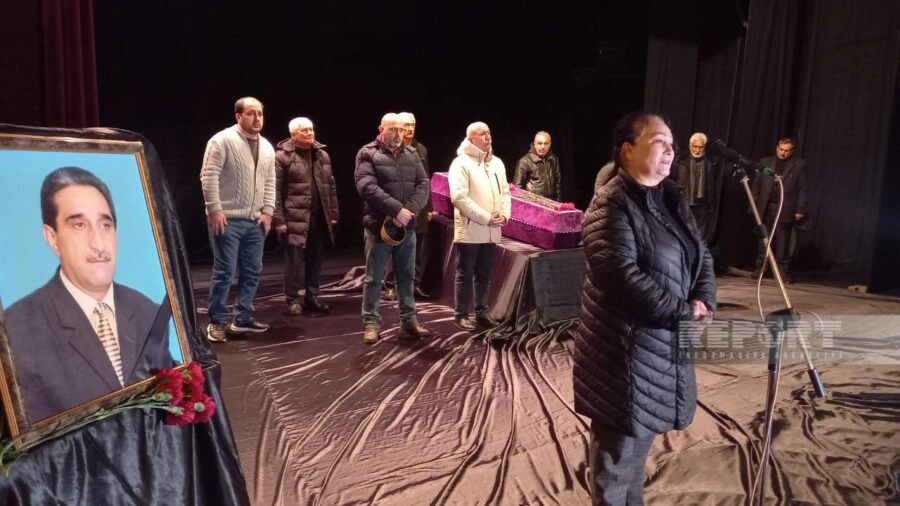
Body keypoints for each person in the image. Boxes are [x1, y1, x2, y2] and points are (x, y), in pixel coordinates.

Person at [573, 112, 716, 505]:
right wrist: (683, 311)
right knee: (615, 462)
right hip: (622, 354)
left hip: (658, 347)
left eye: (671, 142)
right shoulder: (610, 204)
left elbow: (701, 253)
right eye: (659, 141)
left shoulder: (670, 198)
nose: (670, 149)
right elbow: (622, 277)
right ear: (627, 150)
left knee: (635, 460)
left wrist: (704, 297)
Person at [3, 167, 174, 422]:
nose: (99, 244)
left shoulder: (148, 312)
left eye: (105, 225)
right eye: (79, 225)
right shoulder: (16, 331)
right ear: (52, 237)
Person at [200, 96, 276, 342]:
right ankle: (217, 322)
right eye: (251, 113)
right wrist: (214, 209)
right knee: (225, 272)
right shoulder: (222, 140)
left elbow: (270, 181)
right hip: (228, 220)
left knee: (252, 271)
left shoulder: (267, 147)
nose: (257, 118)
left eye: (260, 113)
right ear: (239, 116)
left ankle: (242, 319)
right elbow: (208, 176)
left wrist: (268, 211)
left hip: (255, 221)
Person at [354, 113, 432, 344]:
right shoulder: (367, 153)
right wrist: (397, 210)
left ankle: (409, 321)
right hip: (378, 227)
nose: (399, 134)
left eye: (401, 129)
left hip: (407, 227)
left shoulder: (412, 153)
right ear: (381, 129)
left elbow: (423, 184)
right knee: (374, 278)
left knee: (406, 277)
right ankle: (371, 323)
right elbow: (366, 187)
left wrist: (408, 211)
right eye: (393, 129)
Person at [448, 121, 511, 331]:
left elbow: (505, 192)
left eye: (489, 133)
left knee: (484, 273)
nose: (487, 137)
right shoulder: (460, 163)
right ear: (471, 139)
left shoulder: (497, 162)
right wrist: (486, 217)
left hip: (492, 228)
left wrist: (504, 214)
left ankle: (482, 311)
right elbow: (458, 198)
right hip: (471, 228)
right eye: (482, 134)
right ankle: (461, 314)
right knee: (466, 272)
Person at [273, 117, 340, 316]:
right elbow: (274, 190)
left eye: (311, 129)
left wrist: (333, 212)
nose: (310, 133)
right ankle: (293, 299)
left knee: (316, 258)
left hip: (318, 216)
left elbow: (331, 186)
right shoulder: (282, 157)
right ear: (293, 134)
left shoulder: (322, 155)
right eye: (305, 131)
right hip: (294, 217)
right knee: (294, 260)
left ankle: (312, 296)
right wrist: (279, 219)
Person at [384, 112, 432, 301]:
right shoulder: (391, 148)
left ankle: (414, 284)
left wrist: (429, 206)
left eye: (412, 125)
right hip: (398, 205)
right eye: (406, 126)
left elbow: (426, 180)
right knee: (393, 244)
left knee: (417, 246)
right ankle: (390, 285)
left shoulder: (421, 149)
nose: (410, 129)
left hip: (418, 206)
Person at [752, 137, 808, 279]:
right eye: (781, 149)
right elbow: (757, 185)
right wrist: (753, 205)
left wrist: (800, 209)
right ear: (777, 148)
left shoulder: (799, 165)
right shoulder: (765, 162)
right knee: (763, 239)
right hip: (766, 206)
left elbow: (802, 188)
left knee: (783, 240)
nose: (783, 153)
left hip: (785, 207)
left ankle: (782, 271)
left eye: (786, 150)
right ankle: (761, 268)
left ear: (792, 151)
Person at [670, 132, 720, 243]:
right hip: (684, 203)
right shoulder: (682, 163)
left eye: (701, 147)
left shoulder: (708, 165)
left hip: (701, 204)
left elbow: (710, 187)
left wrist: (710, 204)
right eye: (695, 146)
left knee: (700, 237)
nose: (697, 150)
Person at [513, 131, 561, 200]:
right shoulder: (525, 162)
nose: (543, 146)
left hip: (551, 204)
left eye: (546, 143)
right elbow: (517, 189)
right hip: (533, 204)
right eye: (540, 143)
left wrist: (558, 203)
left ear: (550, 144)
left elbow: (558, 185)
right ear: (534, 144)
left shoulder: (554, 159)